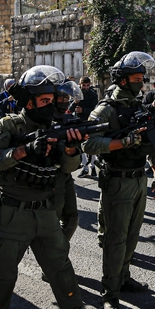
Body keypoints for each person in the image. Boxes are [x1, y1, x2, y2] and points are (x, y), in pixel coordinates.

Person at [0, 65, 98, 309]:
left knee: (61, 268)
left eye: (52, 100)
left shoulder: (55, 127)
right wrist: (23, 150)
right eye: (45, 101)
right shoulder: (9, 126)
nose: (51, 105)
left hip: (46, 211)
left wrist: (71, 149)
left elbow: (68, 168)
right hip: (13, 212)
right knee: (3, 272)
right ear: (29, 102)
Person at [82, 51, 155, 309]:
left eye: (142, 78)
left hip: (139, 179)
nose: (141, 83)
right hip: (117, 180)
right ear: (124, 80)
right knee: (115, 240)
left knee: (132, 235)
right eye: (137, 78)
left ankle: (124, 277)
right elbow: (88, 143)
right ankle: (109, 294)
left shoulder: (138, 106)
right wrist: (120, 143)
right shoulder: (106, 109)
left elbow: (151, 140)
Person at [52, 80, 85, 241]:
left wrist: (72, 148)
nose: (65, 100)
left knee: (72, 219)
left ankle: (60, 248)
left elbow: (74, 160)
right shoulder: (43, 118)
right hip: (48, 177)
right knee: (51, 220)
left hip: (64, 174)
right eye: (61, 97)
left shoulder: (67, 118)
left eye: (67, 97)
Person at [73, 76, 99, 177]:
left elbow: (94, 109)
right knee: (80, 145)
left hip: (88, 122)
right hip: (78, 122)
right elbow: (70, 108)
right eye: (84, 85)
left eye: (88, 85)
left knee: (90, 144)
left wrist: (82, 110)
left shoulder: (93, 95)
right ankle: (85, 167)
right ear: (80, 84)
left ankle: (93, 166)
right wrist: (75, 103)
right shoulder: (76, 93)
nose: (86, 87)